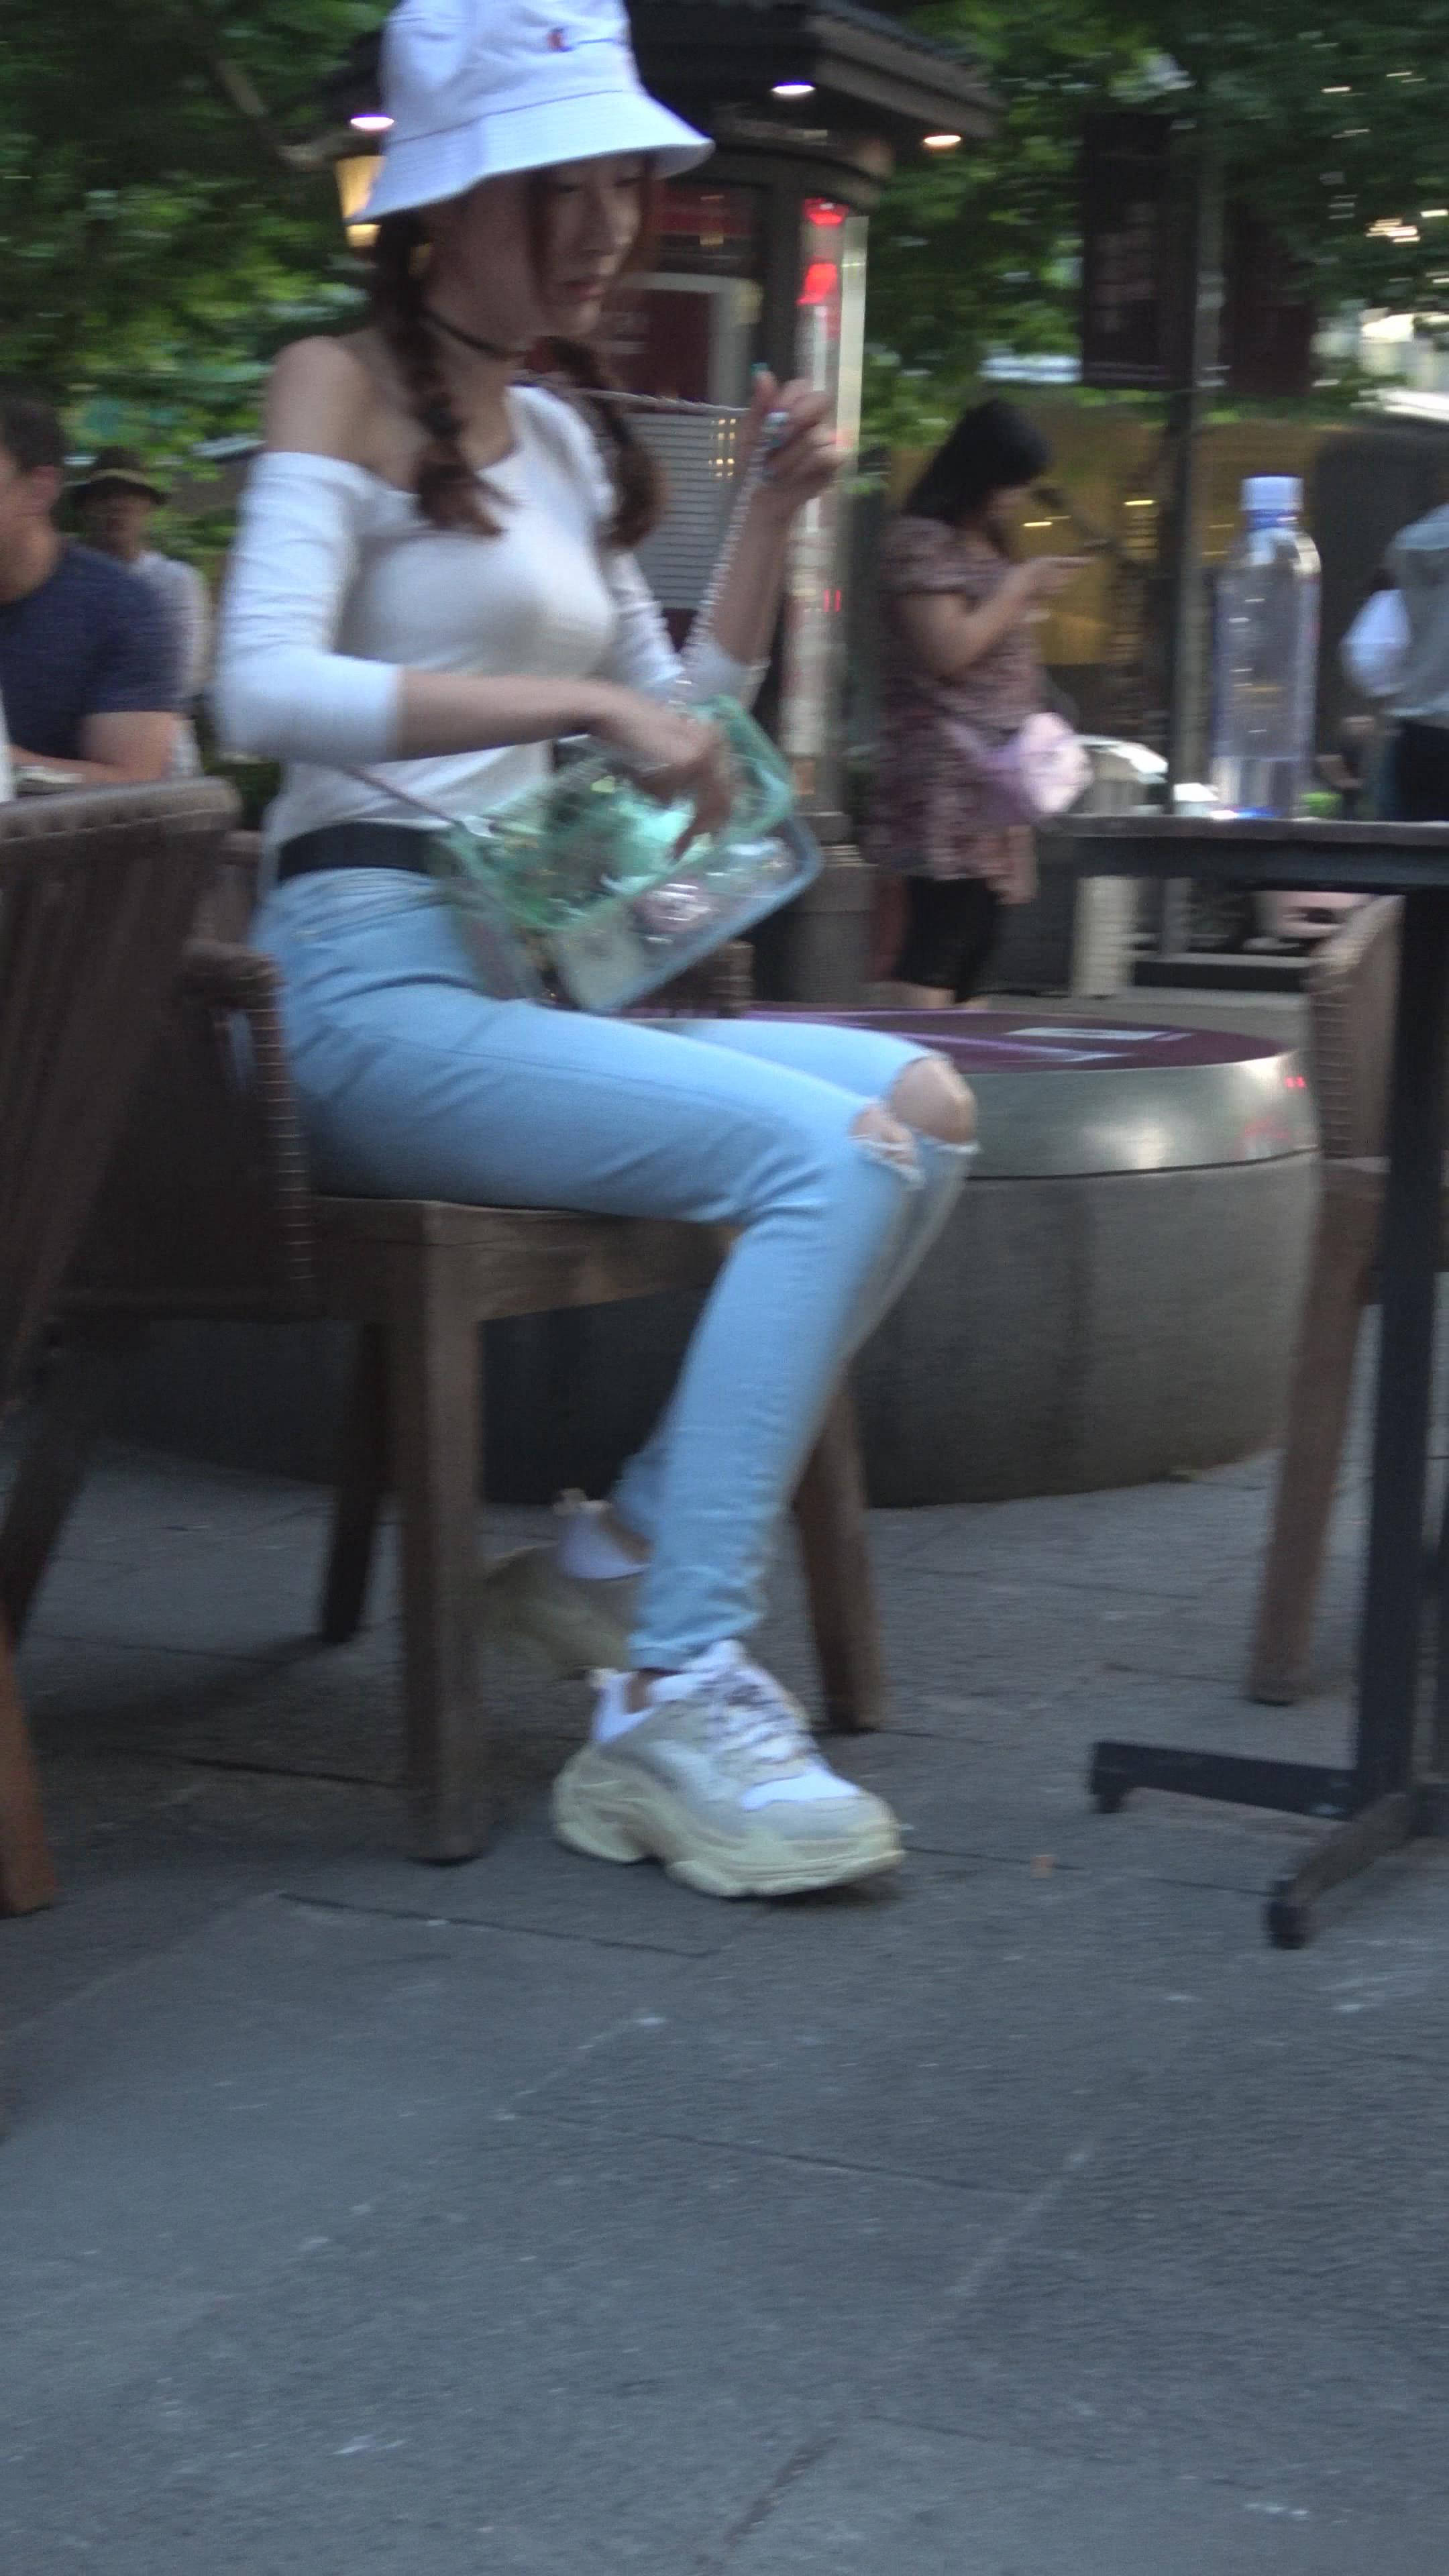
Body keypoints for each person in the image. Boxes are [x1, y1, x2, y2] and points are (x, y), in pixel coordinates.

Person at [213, 0, 978, 1902]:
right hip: (356, 988)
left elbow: (679, 728)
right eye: (558, 186)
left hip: (512, 977)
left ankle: (614, 1560)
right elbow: (256, 691)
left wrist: (770, 520)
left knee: (926, 1103)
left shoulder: (555, 432)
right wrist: (568, 699)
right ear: (444, 199)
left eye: (622, 182)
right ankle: (669, 1694)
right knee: (828, 1155)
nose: (607, 225)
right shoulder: (334, 383)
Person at [865, 400, 1085, 1006]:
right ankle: (921, 1054)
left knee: (977, 947)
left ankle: (961, 1054)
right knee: (938, 941)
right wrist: (1020, 588)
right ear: (978, 474)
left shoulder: (986, 543)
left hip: (998, 779)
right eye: (1009, 483)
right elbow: (948, 649)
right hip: (946, 777)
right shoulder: (922, 543)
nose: (1016, 498)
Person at [0, 384, 181, 786]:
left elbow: (132, 784)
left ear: (39, 490)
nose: (117, 509)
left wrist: (7, 767)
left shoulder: (123, 609)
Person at [71, 447, 210, 772]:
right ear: (87, 507)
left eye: (130, 496)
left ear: (147, 506)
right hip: (77, 752)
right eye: (105, 496)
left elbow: (185, 676)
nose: (117, 506)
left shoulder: (178, 581)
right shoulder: (67, 581)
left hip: (167, 750)